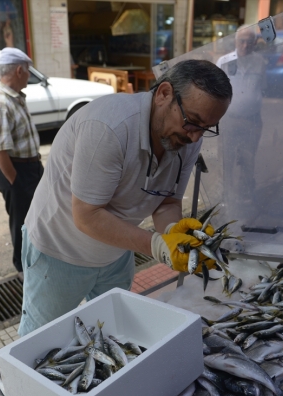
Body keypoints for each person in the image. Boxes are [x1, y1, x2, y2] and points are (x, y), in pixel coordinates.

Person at [19, 60, 232, 336]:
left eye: (207, 127)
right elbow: (86, 214)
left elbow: (166, 201)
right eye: (192, 122)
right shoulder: (109, 128)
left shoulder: (187, 136)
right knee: (41, 343)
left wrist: (172, 232)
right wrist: (156, 245)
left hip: (116, 252)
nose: (194, 137)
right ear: (164, 93)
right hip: (60, 253)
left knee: (112, 333)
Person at [0, 47, 43, 280]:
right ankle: (22, 268)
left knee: (36, 215)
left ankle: (36, 256)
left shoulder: (15, 98)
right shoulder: (1, 103)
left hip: (30, 166)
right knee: (21, 220)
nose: (29, 75)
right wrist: (16, 181)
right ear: (19, 70)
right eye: (28, 71)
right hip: (15, 169)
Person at [216, 26, 266, 212]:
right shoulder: (224, 61)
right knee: (226, 160)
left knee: (248, 159)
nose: (245, 45)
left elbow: (262, 87)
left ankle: (245, 198)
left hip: (252, 120)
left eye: (249, 42)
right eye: (241, 41)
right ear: (235, 42)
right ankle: (225, 197)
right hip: (229, 119)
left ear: (255, 43)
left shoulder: (260, 62)